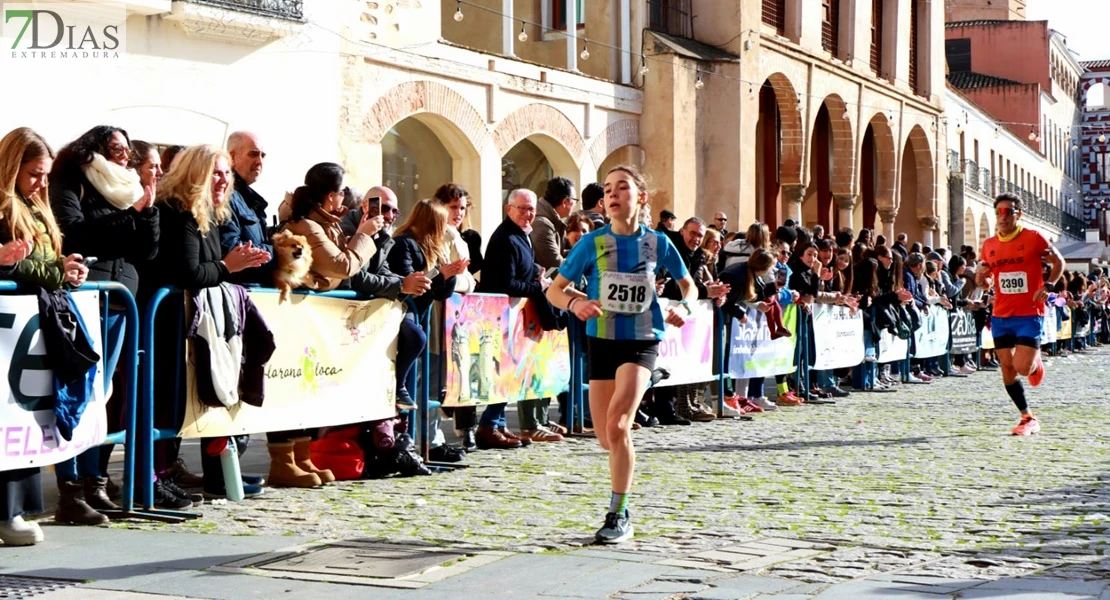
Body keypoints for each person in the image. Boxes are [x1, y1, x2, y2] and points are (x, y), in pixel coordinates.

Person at [547, 164, 696, 544]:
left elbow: (689, 285)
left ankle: (619, 513)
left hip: (642, 340)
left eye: (622, 187)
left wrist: (685, 306)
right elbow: (554, 289)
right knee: (605, 437)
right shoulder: (591, 243)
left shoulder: (658, 243)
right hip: (602, 341)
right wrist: (575, 304)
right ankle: (648, 381)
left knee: (618, 426)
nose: (613, 194)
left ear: (641, 197)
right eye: (608, 189)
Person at [144, 145, 271, 500]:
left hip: (191, 322)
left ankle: (169, 475)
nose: (223, 180)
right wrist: (229, 266)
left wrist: (233, 266)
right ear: (195, 173)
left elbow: (208, 269)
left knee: (183, 401)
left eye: (227, 173)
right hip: (166, 322)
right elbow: (189, 272)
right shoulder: (181, 211)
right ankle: (152, 478)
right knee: (163, 402)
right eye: (216, 172)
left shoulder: (212, 213)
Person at [50, 125, 163, 514]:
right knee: (77, 393)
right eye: (116, 149)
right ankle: (70, 487)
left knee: (102, 396)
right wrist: (131, 215)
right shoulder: (72, 178)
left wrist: (148, 212)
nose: (124, 156)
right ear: (94, 148)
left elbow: (147, 252)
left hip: (119, 300)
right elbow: (74, 232)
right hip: (84, 299)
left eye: (127, 151)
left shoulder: (130, 187)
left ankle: (95, 480)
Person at [0, 127, 87, 544]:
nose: (41, 182)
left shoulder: (36, 206)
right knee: (9, 414)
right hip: (13, 325)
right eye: (35, 173)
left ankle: (16, 510)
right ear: (12, 167)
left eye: (46, 174)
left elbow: (35, 260)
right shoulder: (5, 206)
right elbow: (20, 265)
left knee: (24, 414)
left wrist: (65, 267)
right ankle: (8, 513)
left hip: (32, 323)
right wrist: (57, 272)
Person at [976, 193, 1065, 435]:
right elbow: (986, 277)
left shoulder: (1033, 238)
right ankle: (1027, 417)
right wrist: (982, 280)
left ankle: (1034, 364)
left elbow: (1058, 262)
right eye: (999, 212)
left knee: (1022, 368)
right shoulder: (989, 245)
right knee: (1007, 368)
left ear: (1018, 214)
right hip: (1001, 314)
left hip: (1029, 312)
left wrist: (1049, 285)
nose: (1002, 217)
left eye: (1008, 212)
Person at [219, 131, 275, 284]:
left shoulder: (247, 199)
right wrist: (279, 253)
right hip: (237, 288)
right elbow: (232, 249)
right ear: (232, 157)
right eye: (253, 154)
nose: (260, 161)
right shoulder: (225, 196)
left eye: (263, 155)